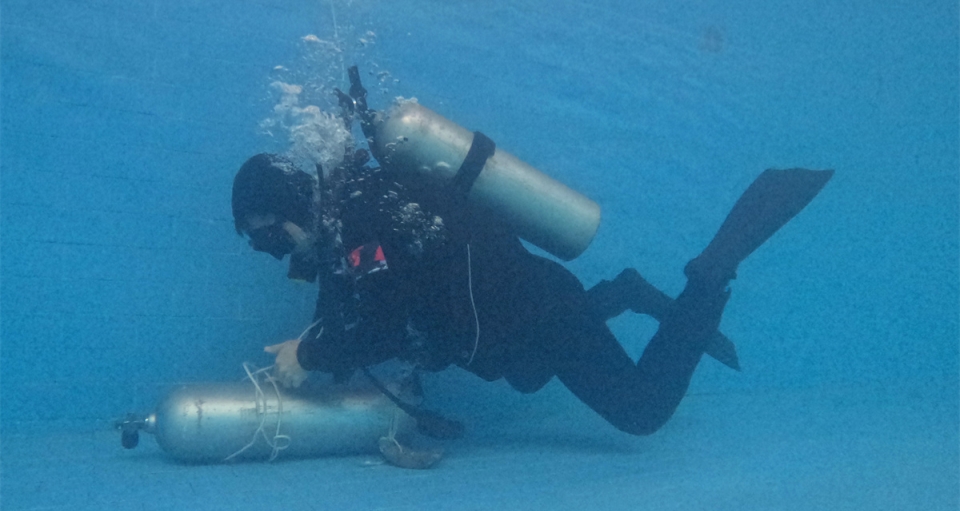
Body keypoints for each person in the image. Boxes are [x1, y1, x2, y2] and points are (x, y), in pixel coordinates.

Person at [231, 72, 833, 437]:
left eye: (263, 236)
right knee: (531, 369)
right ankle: (622, 292)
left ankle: (708, 275)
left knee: (641, 412)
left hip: (541, 314)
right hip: (517, 323)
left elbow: (382, 321)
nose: (266, 251)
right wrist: (314, 343)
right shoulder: (348, 219)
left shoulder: (357, 216)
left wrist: (309, 352)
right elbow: (361, 308)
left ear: (288, 210)